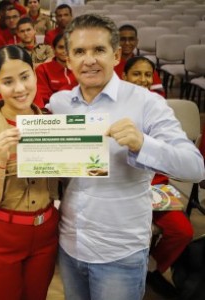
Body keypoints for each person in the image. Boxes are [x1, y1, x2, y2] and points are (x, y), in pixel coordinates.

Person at [48, 14, 205, 300]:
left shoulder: (147, 103)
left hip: (119, 252)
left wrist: (142, 144)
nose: (89, 60)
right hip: (71, 244)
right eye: (79, 52)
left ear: (116, 54)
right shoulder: (59, 104)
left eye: (99, 50)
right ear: (68, 59)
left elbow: (195, 167)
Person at [0, 44, 59, 300]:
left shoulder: (53, 125)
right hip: (0, 235)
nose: (19, 88)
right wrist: (0, 161)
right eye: (8, 81)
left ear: (35, 75)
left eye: (25, 77)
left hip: (45, 232)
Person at [122, 56, 194, 298]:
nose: (142, 79)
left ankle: (151, 267)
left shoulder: (160, 108)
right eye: (136, 74)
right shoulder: (113, 107)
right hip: (122, 185)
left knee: (182, 231)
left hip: (155, 185)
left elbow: (172, 153)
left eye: (147, 75)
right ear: (124, 77)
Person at [114, 24, 165, 97]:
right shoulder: (109, 65)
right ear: (116, 41)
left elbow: (159, 94)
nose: (127, 43)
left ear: (136, 41)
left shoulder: (145, 65)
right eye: (123, 39)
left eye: (131, 39)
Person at [35, 33, 76, 104]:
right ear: (54, 49)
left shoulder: (81, 68)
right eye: (61, 47)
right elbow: (43, 97)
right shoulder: (43, 69)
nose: (65, 51)